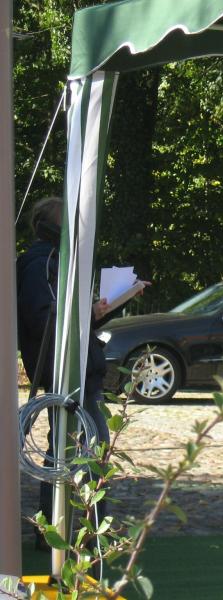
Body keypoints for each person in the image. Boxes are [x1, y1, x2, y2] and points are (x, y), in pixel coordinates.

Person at [17, 197, 146, 546]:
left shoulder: (52, 261)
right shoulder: (42, 263)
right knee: (87, 449)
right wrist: (89, 313)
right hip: (66, 370)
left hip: (74, 368)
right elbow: (45, 319)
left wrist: (102, 308)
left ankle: (56, 530)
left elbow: (63, 319)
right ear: (57, 227)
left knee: (68, 448)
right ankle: (86, 533)